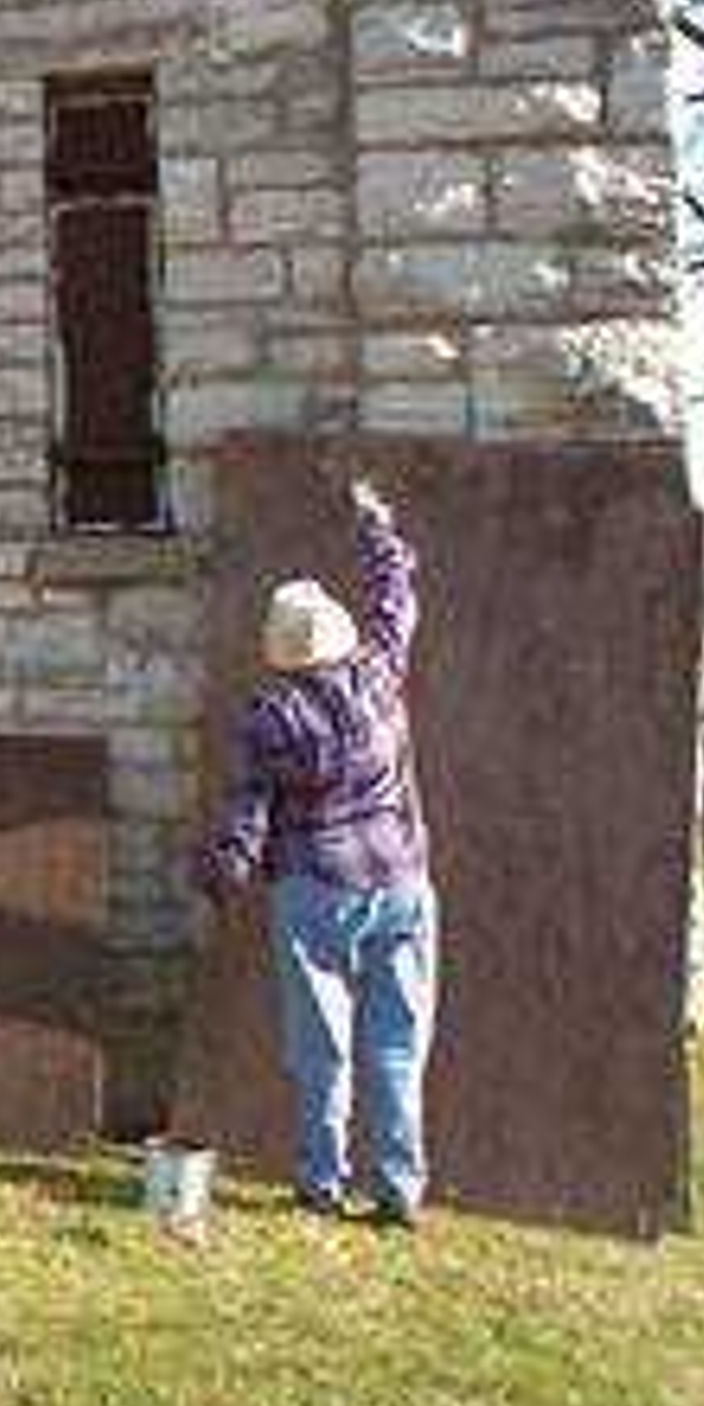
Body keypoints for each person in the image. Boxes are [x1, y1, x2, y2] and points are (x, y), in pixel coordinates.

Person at [194, 477, 438, 1227]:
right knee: (398, 1048)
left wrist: (219, 872)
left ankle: (321, 1184)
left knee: (321, 1049)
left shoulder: (272, 714)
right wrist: (375, 526)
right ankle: (399, 1192)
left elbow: (248, 812)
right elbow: (397, 597)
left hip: (316, 890)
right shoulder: (380, 675)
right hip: (401, 881)